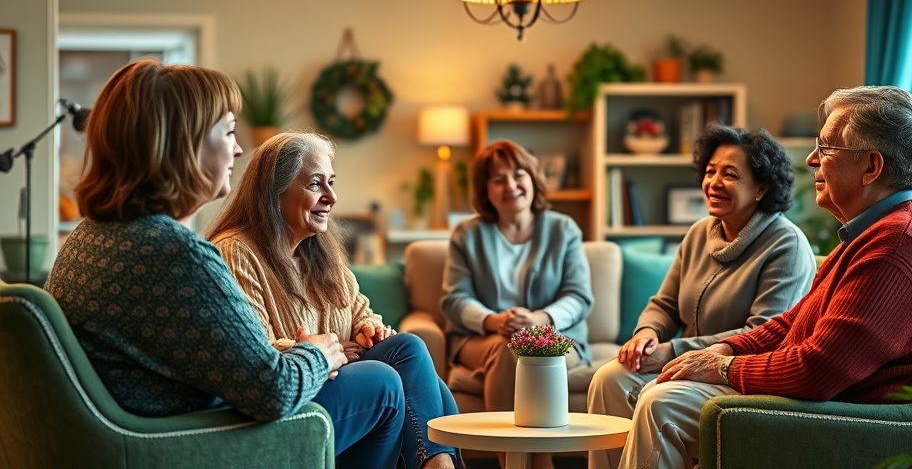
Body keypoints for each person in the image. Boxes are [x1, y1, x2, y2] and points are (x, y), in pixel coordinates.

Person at [45, 59, 403, 469]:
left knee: (399, 359)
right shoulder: (176, 256)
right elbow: (274, 390)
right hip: (187, 443)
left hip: (150, 432)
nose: (237, 149)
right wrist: (320, 352)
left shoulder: (90, 235)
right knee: (382, 385)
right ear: (185, 143)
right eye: (230, 132)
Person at [615, 85, 912, 469]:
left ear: (871, 166)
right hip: (828, 399)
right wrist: (727, 350)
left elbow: (819, 371)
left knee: (661, 403)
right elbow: (794, 321)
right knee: (637, 385)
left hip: (846, 417)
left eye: (828, 148)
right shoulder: (874, 232)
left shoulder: (896, 246)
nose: (813, 160)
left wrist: (722, 367)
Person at [207, 132, 461, 469]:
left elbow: (360, 312)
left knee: (410, 352)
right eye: (316, 184)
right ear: (274, 192)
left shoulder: (321, 254)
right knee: (391, 380)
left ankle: (438, 465)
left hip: (329, 380)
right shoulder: (236, 252)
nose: (332, 197)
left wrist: (370, 330)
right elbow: (253, 352)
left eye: (331, 183)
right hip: (289, 395)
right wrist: (331, 351)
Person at [587, 124, 817, 469]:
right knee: (608, 379)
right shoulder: (699, 233)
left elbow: (763, 333)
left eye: (729, 174)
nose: (713, 183)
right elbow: (664, 303)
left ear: (761, 188)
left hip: (739, 374)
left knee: (655, 400)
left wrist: (673, 350)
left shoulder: (786, 244)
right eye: (710, 171)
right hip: (690, 365)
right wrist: (647, 334)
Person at [440, 139, 595, 469]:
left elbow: (579, 297)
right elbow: (454, 299)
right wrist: (494, 321)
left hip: (554, 335)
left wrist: (540, 319)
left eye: (518, 175)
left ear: (532, 178)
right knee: (510, 347)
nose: (510, 185)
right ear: (486, 190)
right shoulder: (466, 235)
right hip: (484, 337)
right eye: (498, 179)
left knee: (528, 349)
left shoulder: (563, 229)